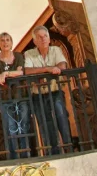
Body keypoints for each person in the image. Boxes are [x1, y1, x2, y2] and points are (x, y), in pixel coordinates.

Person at [23, 25, 72, 156]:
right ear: (35, 41)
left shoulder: (56, 50)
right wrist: (48, 69)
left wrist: (41, 71)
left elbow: (62, 65)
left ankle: (69, 147)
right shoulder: (29, 54)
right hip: (37, 95)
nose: (43, 39)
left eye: (45, 36)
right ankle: (53, 152)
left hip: (55, 91)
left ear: (49, 39)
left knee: (61, 116)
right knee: (45, 123)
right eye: (39, 37)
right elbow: (27, 71)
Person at [0, 32, 30, 160]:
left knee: (23, 124)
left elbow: (20, 72)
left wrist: (5, 73)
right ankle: (14, 156)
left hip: (20, 94)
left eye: (8, 40)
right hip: (4, 97)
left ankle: (25, 154)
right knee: (10, 126)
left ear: (11, 43)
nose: (5, 42)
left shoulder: (17, 55)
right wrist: (3, 75)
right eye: (2, 40)